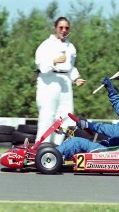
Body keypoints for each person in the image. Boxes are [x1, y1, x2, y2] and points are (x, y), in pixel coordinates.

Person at [56, 76, 119, 159]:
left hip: (110, 151)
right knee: (78, 141)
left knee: (75, 142)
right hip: (111, 147)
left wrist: (89, 125)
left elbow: (115, 131)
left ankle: (52, 156)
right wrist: (110, 90)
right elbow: (118, 107)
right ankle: (58, 155)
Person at [35, 17, 86, 145]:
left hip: (65, 83)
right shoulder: (46, 45)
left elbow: (70, 67)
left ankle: (57, 146)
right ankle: (42, 146)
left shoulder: (71, 47)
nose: (64, 30)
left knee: (66, 116)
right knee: (48, 115)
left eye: (66, 28)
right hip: (49, 81)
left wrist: (76, 78)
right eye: (61, 27)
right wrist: (54, 61)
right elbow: (40, 66)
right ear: (55, 28)